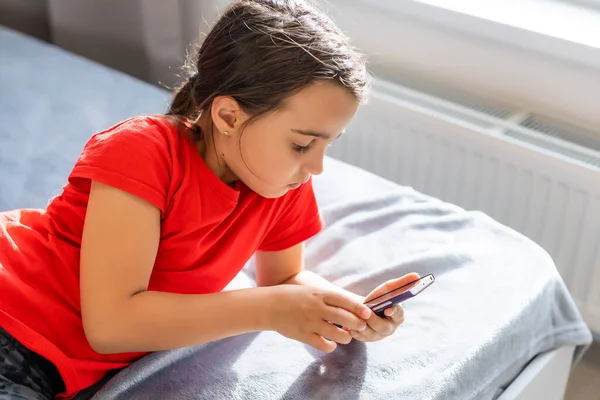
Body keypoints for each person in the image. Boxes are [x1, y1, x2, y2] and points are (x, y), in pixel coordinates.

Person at [0, 1, 418, 398]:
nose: (317, 167)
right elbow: (112, 324)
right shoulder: (141, 151)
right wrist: (269, 309)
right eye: (302, 144)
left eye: (328, 144)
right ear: (228, 117)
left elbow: (285, 280)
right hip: (12, 318)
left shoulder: (281, 184)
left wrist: (347, 311)